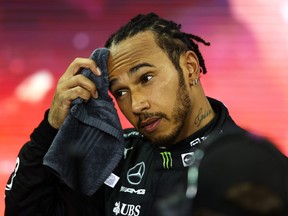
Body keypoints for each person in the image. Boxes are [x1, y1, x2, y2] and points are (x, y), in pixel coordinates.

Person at [4, 13, 288, 216]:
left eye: (146, 78)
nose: (136, 105)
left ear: (189, 67)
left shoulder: (254, 165)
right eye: (121, 93)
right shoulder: (112, 155)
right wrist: (51, 126)